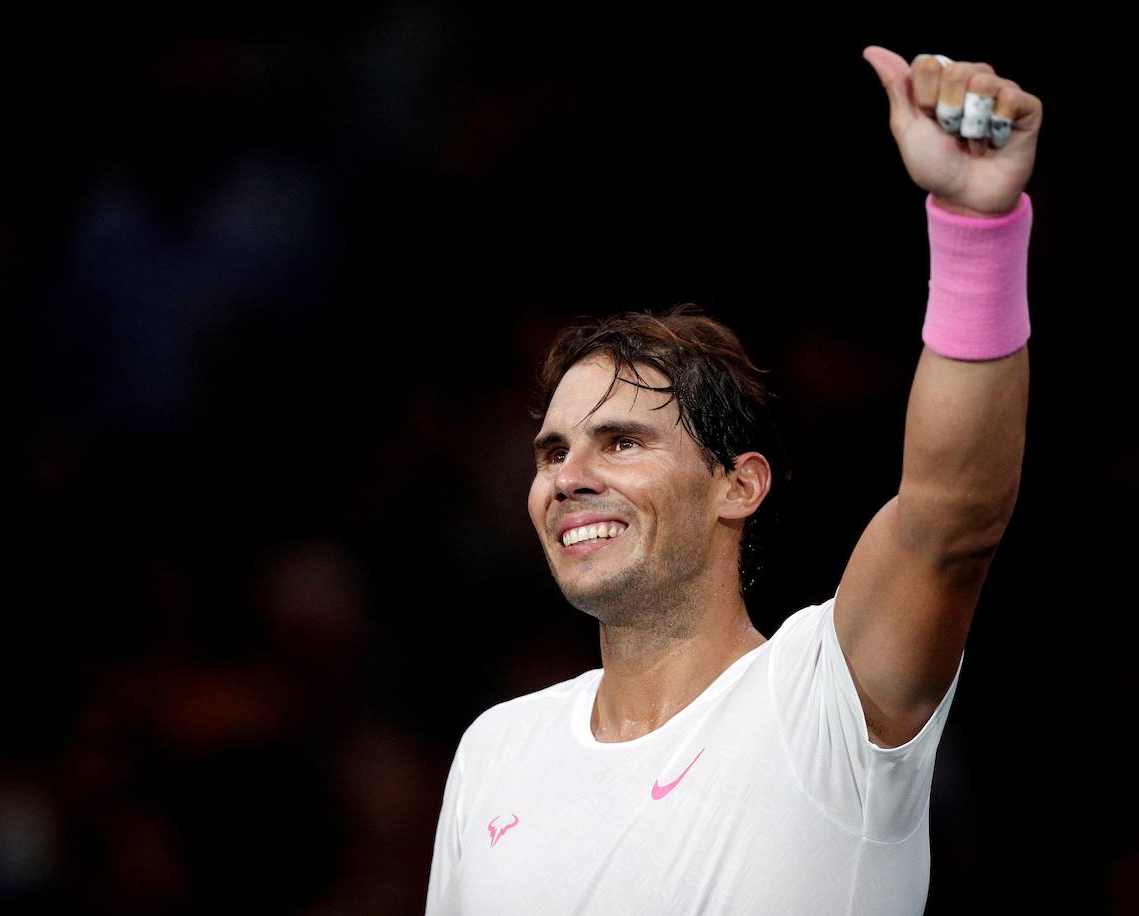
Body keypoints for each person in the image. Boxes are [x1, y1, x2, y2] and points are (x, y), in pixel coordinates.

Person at [425, 45, 1041, 915]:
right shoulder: (494, 751)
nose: (569, 477)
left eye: (621, 442)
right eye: (553, 451)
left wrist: (977, 227)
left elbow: (952, 518)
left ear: (738, 486)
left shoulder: (828, 696)